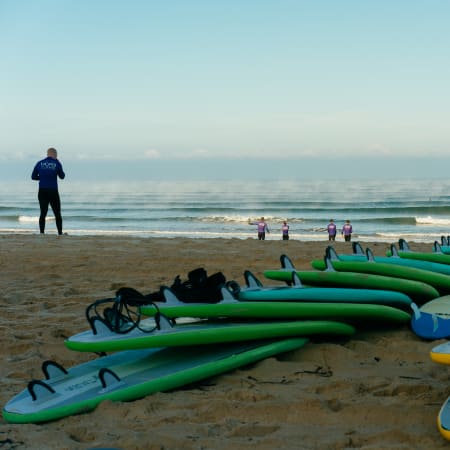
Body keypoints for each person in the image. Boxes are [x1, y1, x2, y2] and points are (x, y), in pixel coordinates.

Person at [31, 148, 65, 235]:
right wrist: (58, 163)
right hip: (53, 191)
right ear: (55, 154)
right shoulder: (56, 163)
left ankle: (42, 233)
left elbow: (33, 177)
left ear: (47, 154)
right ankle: (60, 233)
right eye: (56, 155)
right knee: (57, 213)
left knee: (43, 213)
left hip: (42, 191)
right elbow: (62, 176)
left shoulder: (39, 163)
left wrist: (42, 178)